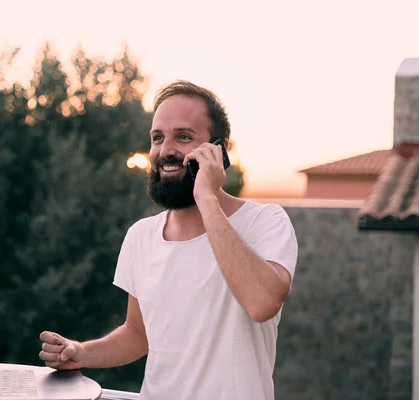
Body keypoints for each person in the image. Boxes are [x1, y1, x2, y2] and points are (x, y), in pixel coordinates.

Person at [39, 80, 298, 400]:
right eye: (157, 138)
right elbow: (138, 333)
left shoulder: (266, 222)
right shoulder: (141, 236)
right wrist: (81, 352)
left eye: (184, 137)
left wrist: (206, 197)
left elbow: (262, 303)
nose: (166, 150)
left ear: (220, 149)